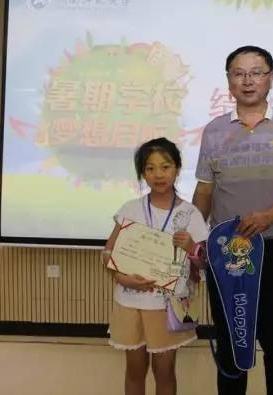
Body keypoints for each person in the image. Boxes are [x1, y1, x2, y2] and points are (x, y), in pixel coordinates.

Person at [192, 46, 273, 395]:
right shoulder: (214, 130)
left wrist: (270, 216)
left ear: (271, 78)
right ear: (229, 82)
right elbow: (204, 191)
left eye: (256, 72)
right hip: (227, 254)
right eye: (239, 73)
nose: (248, 80)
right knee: (231, 342)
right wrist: (193, 240)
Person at [103, 137, 208, 395]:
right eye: (150, 168)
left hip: (167, 307)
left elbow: (203, 263)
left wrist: (192, 247)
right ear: (143, 173)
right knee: (135, 370)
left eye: (165, 166)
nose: (158, 174)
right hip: (130, 303)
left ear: (177, 169)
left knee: (165, 371)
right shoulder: (130, 209)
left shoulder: (191, 214)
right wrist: (121, 278)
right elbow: (107, 253)